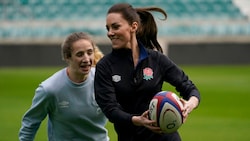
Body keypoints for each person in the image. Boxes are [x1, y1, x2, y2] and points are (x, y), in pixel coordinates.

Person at [94, 3, 201, 141]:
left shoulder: (156, 59)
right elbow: (110, 109)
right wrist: (137, 120)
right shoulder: (105, 66)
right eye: (108, 28)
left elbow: (190, 88)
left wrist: (189, 105)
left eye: (115, 27)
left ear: (133, 27)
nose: (110, 33)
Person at [19, 32, 109, 141]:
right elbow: (30, 124)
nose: (86, 59)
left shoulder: (104, 80)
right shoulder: (50, 89)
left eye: (89, 52)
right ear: (67, 57)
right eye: (80, 54)